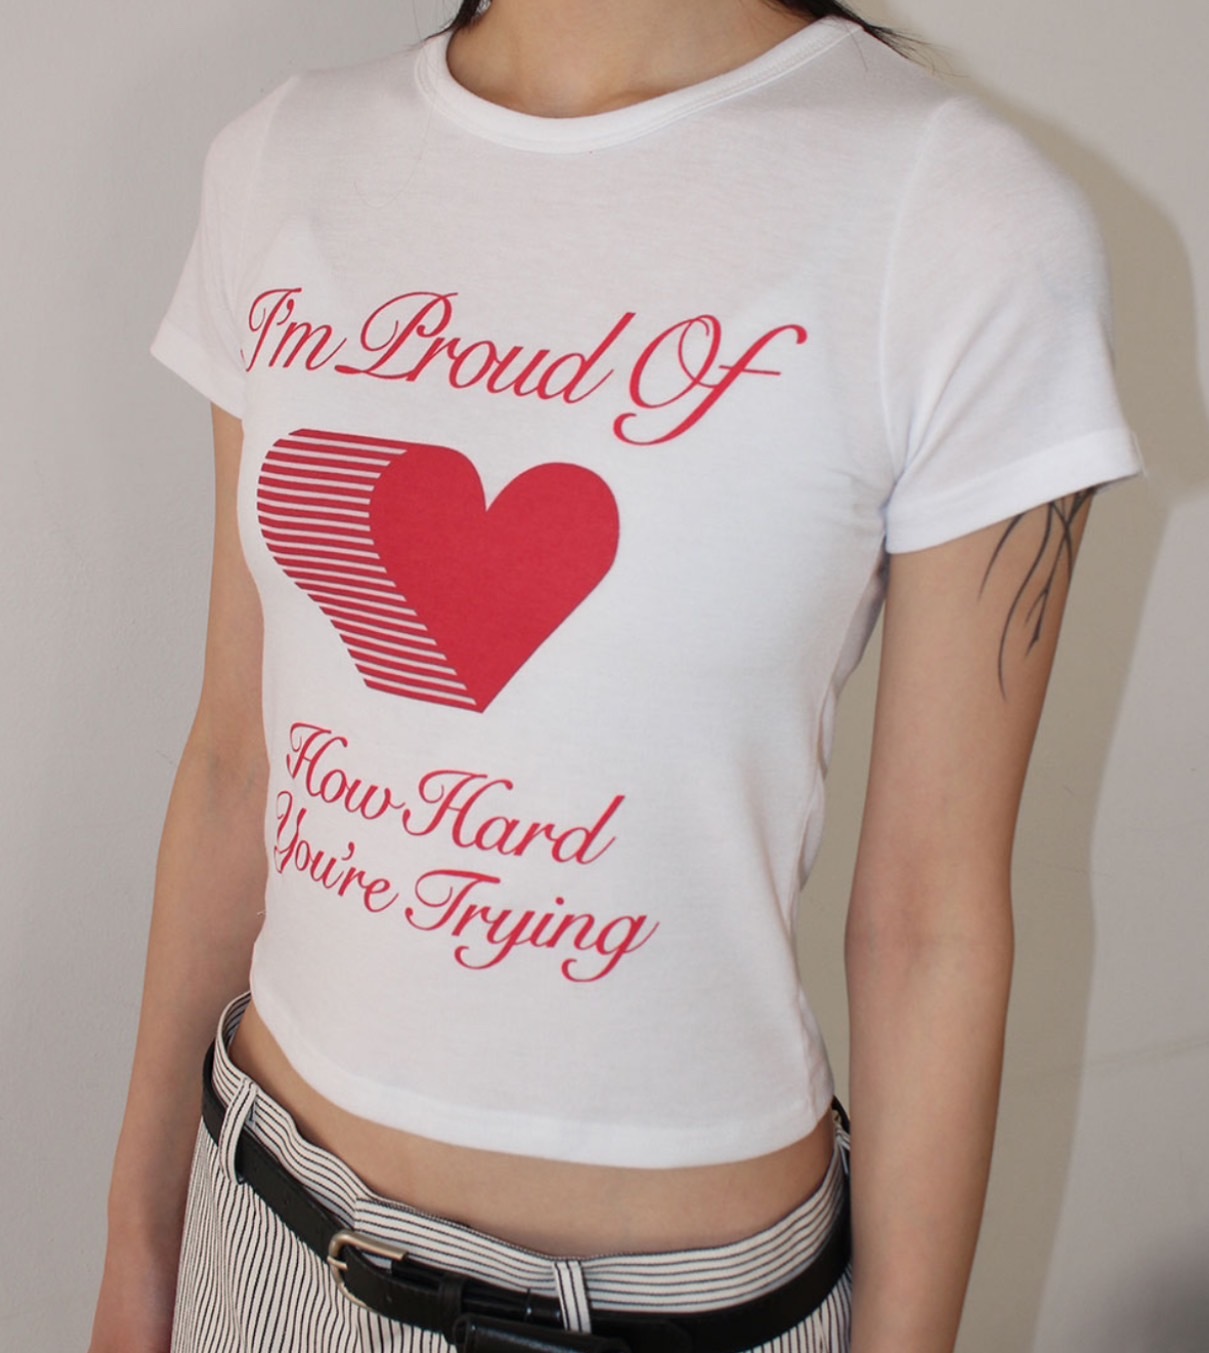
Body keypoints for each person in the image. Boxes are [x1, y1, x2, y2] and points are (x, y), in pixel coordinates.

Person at [89, 1, 1142, 1350]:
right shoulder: (283, 156)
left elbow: (929, 918)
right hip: (262, 1237)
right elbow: (238, 765)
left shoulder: (961, 217)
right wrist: (141, 1247)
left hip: (671, 1316)